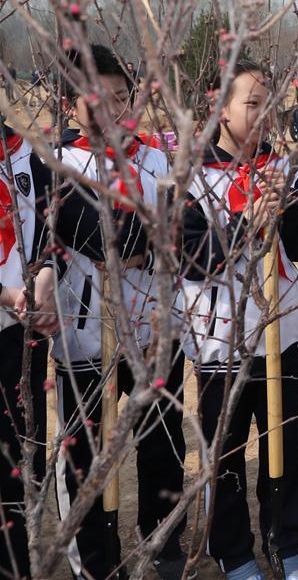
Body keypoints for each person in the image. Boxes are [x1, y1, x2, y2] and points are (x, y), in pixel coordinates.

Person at [52, 44, 189, 580]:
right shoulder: (60, 166)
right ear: (70, 106)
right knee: (87, 453)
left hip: (155, 327)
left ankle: (165, 541)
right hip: (86, 336)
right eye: (95, 99)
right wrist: (142, 234)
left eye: (120, 96)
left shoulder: (155, 157)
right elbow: (91, 234)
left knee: (163, 440)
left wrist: (145, 238)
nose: (110, 109)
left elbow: (176, 232)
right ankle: (94, 558)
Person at [180, 59, 298, 580]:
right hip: (220, 338)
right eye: (251, 104)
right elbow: (189, 256)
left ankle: (287, 540)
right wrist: (243, 225)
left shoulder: (283, 167)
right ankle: (233, 552)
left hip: (281, 332)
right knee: (225, 451)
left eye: (269, 103)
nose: (262, 115)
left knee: (283, 439)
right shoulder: (191, 174)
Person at [0, 121, 78, 579]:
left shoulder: (29, 154)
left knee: (19, 458)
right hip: (11, 307)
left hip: (17, 337)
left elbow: (57, 233)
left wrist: (47, 273)